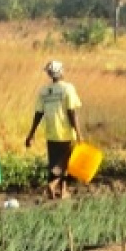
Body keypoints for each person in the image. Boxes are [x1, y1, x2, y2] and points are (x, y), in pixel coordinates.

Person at [25, 61, 83, 199]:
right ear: (61, 71)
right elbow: (72, 112)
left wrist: (31, 134)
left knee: (55, 162)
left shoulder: (44, 91)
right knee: (66, 163)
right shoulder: (68, 89)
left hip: (51, 133)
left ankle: (62, 192)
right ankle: (52, 185)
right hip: (66, 133)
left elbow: (38, 113)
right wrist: (79, 134)